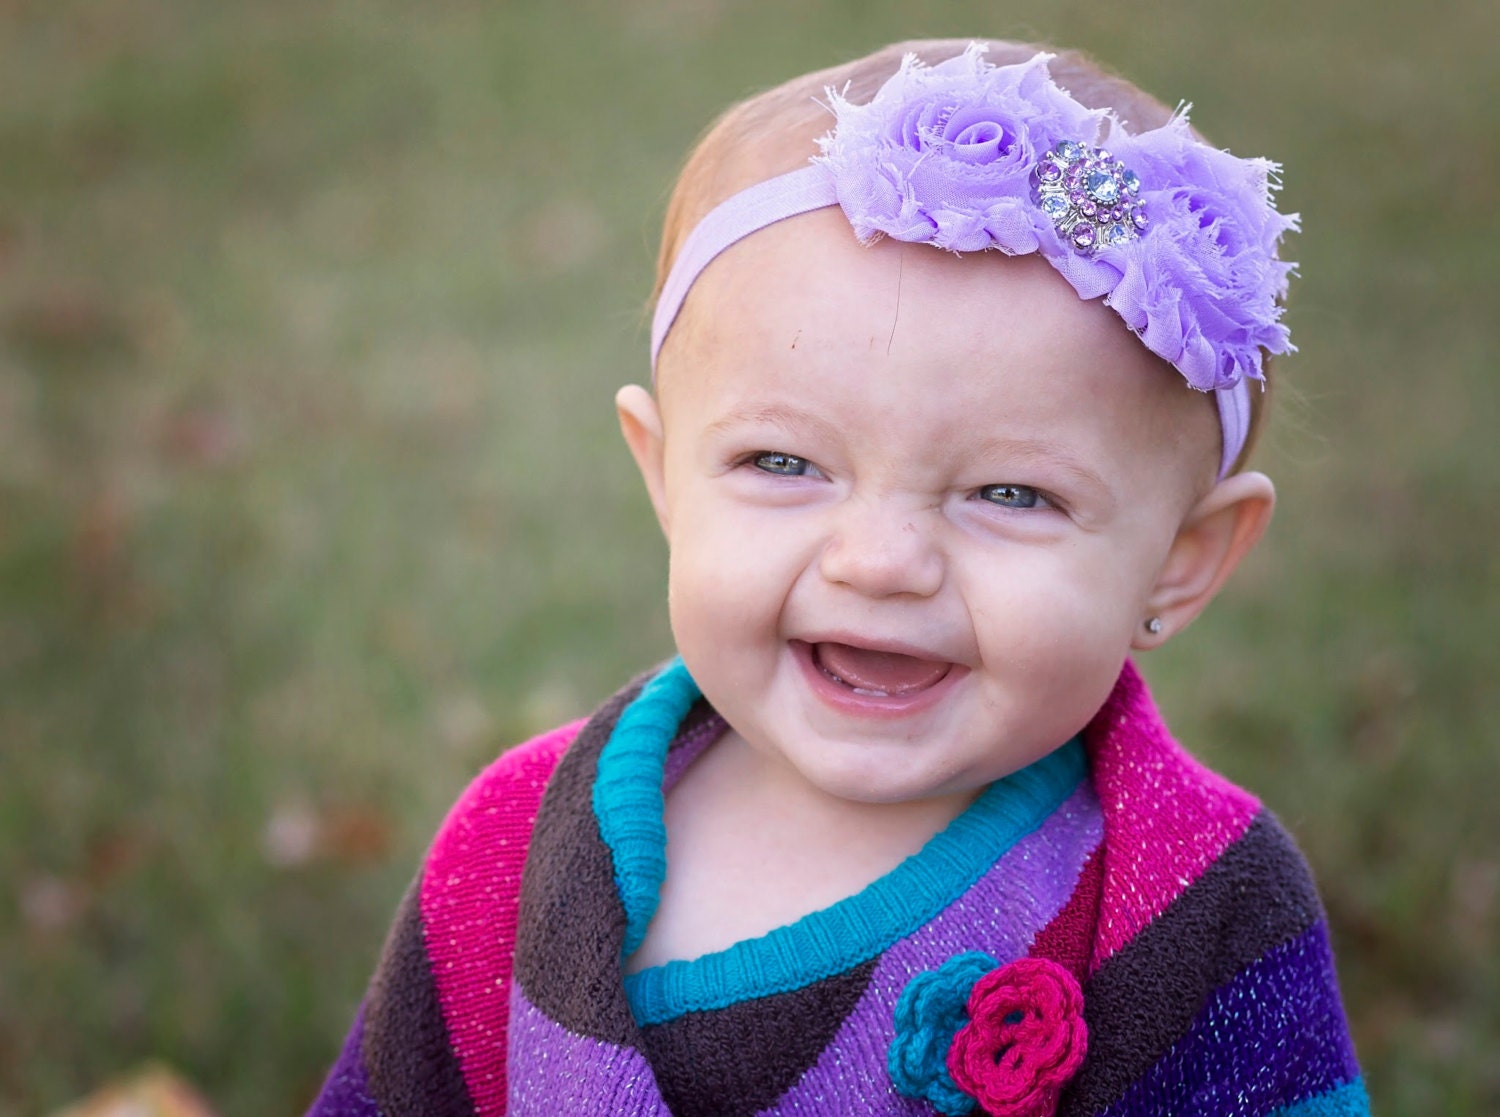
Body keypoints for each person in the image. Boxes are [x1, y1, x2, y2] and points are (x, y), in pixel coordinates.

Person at [307, 39, 1368, 1117]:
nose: (878, 562)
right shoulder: (513, 844)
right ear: (664, 473)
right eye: (782, 463)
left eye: (1010, 494)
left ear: (1181, 561)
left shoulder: (1194, 903)